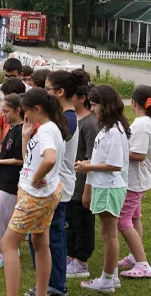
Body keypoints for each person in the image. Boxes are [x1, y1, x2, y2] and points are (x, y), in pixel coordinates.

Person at [1, 87, 68, 296]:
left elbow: (49, 159)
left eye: (26, 111)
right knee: (39, 242)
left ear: (37, 108)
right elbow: (29, 160)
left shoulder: (47, 130)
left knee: (7, 245)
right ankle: (41, 293)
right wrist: (25, 136)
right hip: (44, 193)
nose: (25, 116)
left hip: (35, 196)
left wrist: (36, 178)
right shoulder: (50, 127)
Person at [25, 70, 81, 295]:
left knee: (52, 237)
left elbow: (50, 155)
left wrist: (37, 177)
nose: (43, 93)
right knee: (40, 237)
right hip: (50, 184)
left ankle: (56, 285)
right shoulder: (61, 117)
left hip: (56, 185)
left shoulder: (65, 119)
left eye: (47, 89)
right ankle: (46, 282)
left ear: (60, 92)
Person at [75, 85, 130, 293]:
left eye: (95, 104)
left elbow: (115, 164)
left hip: (110, 187)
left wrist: (87, 166)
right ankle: (112, 275)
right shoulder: (108, 128)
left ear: (105, 105)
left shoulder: (114, 131)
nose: (93, 108)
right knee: (108, 234)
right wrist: (89, 180)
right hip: (103, 186)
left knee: (109, 236)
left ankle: (107, 280)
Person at [116, 85, 151, 278]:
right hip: (140, 178)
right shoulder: (148, 122)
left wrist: (117, 151)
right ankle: (134, 256)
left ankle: (143, 265)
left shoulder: (141, 124)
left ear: (133, 103)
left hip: (134, 180)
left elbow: (138, 155)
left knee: (122, 221)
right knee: (134, 218)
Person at [66, 70, 99, 279]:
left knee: (83, 223)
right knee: (71, 221)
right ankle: (71, 255)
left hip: (83, 184)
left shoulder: (90, 124)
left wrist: (87, 188)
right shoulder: (75, 119)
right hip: (71, 183)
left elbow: (93, 159)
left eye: (72, 97)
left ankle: (81, 261)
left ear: (82, 98)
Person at [0, 94, 24, 268]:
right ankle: (8, 249)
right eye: (2, 110)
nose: (3, 115)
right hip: (5, 180)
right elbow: (7, 150)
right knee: (5, 217)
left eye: (6, 111)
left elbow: (20, 159)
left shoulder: (24, 131)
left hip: (11, 182)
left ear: (18, 110)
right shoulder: (13, 127)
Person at [0, 58, 29, 153]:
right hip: (4, 137)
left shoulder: (29, 92)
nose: (8, 79)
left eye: (12, 76)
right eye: (6, 76)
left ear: (21, 75)